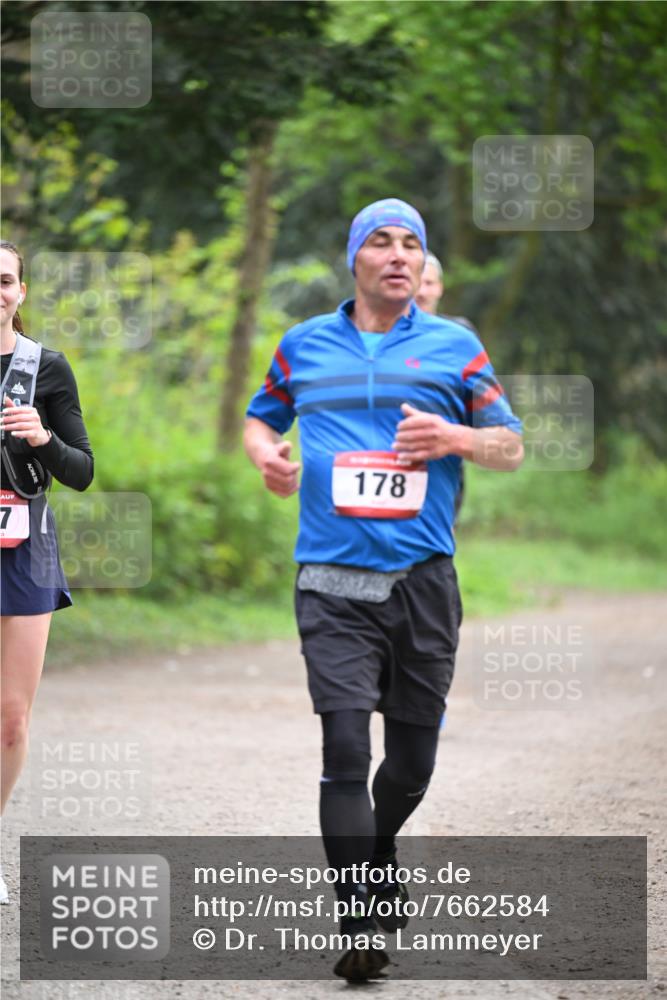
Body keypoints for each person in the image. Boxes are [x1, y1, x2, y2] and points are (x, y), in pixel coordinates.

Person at [244, 198, 523, 981]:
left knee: (407, 767)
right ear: (354, 258)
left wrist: (458, 438)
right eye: (381, 242)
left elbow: (509, 444)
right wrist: (267, 455)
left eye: (411, 244)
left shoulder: (454, 347)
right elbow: (260, 419)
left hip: (422, 582)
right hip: (329, 582)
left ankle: (383, 839)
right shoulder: (302, 346)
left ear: (421, 264)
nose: (398, 255)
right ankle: (360, 919)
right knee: (342, 749)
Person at [0, 241, 94, 904]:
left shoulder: (44, 369)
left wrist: (42, 438)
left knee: (10, 717)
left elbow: (83, 472)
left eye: (5, 280)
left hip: (24, 546)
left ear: (22, 292)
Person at [416, 251, 478, 523]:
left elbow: (480, 400)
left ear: (440, 288)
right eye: (418, 282)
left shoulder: (460, 335)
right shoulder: (379, 332)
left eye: (429, 283)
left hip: (444, 460)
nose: (422, 291)